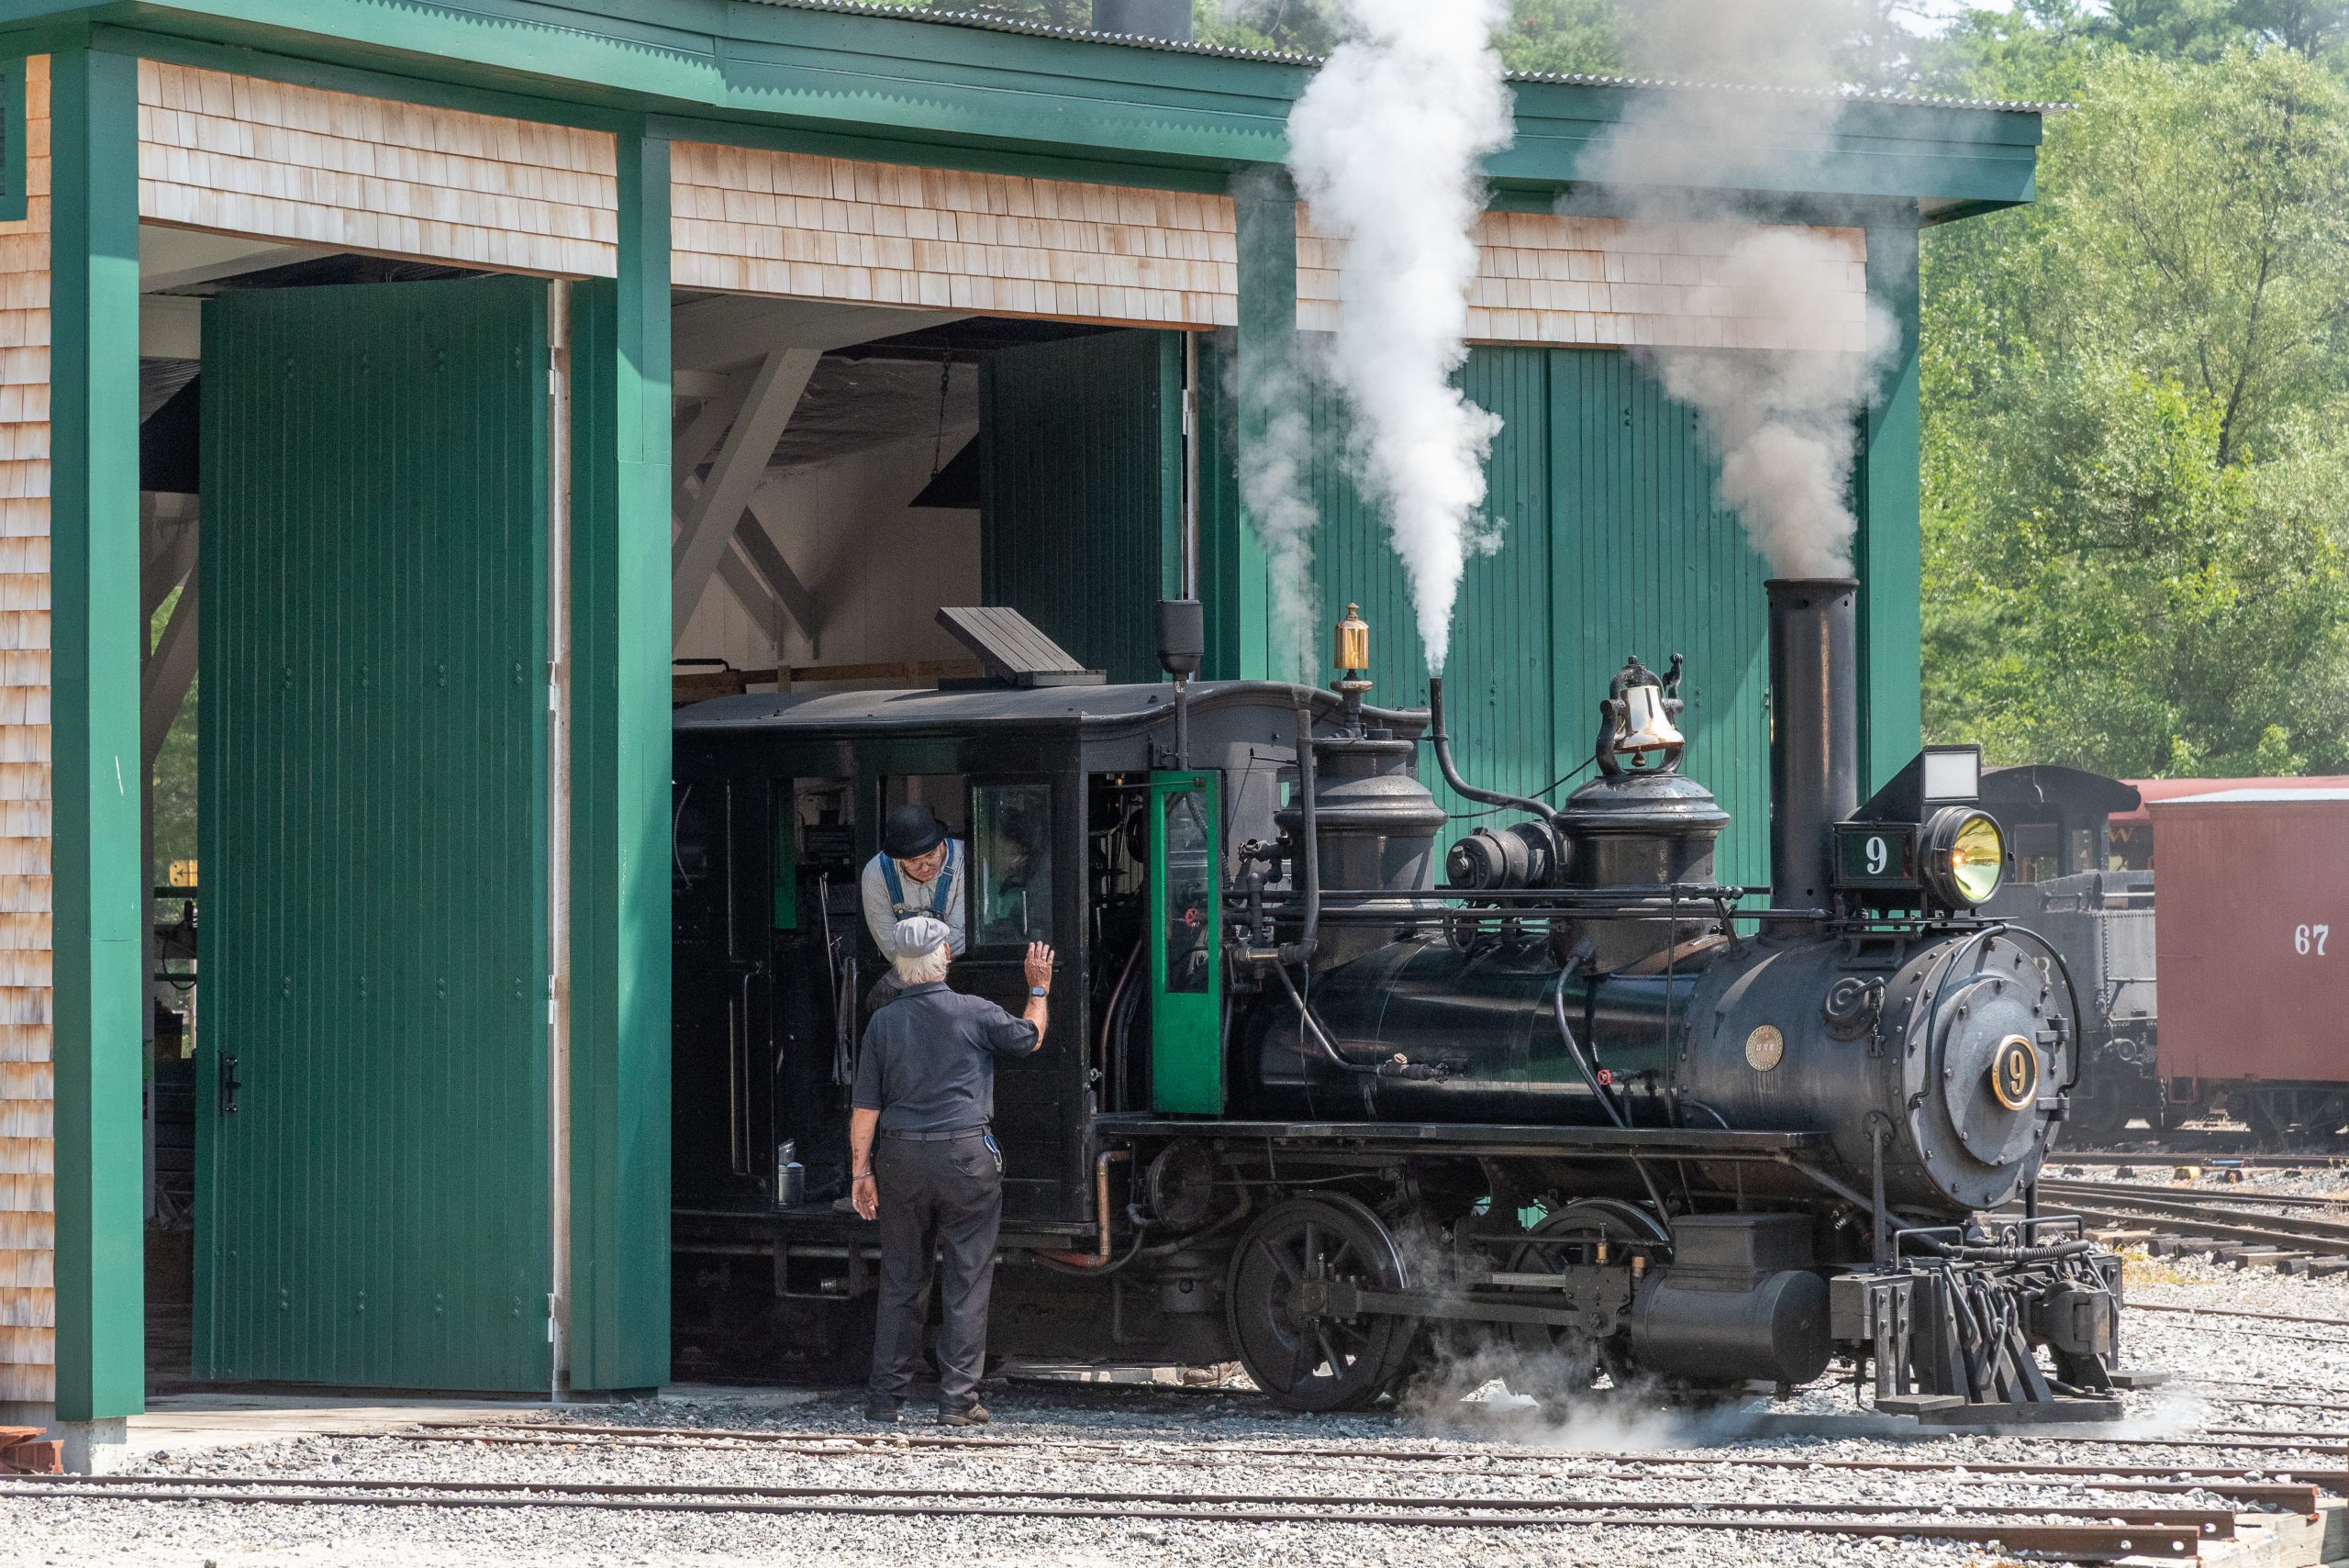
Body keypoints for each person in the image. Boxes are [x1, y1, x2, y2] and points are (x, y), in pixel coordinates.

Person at [850, 916, 1053, 1427]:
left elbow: (865, 1110)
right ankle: (957, 1401)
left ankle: (884, 1400)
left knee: (901, 1279)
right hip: (966, 1158)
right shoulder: (975, 1012)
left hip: (901, 1159)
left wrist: (860, 1173)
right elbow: (1030, 1038)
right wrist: (1038, 988)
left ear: (901, 967)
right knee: (967, 1278)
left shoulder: (882, 1024)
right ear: (942, 959)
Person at [861, 802, 967, 1009]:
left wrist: (893, 979)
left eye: (930, 855)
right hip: (906, 988)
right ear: (898, 859)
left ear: (941, 843)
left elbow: (960, 935)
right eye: (913, 861)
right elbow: (892, 947)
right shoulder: (876, 874)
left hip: (958, 976)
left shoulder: (965, 858)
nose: (925, 866)